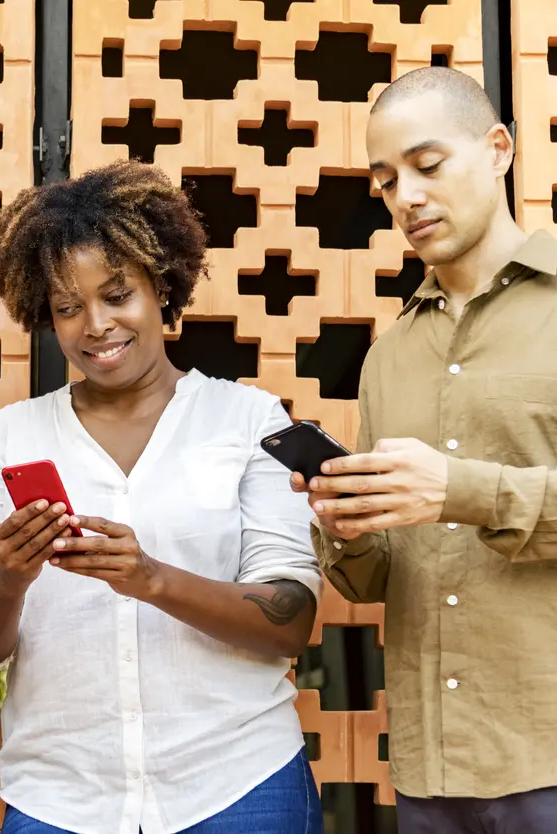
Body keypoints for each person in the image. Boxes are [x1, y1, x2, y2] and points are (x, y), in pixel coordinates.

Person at [0, 159, 325, 834]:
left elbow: (290, 622)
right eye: (67, 307)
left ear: (161, 285)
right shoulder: (10, 437)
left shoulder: (249, 421)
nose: (96, 325)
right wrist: (9, 577)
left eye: (118, 294)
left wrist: (152, 579)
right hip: (63, 798)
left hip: (238, 785)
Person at [296, 66, 557, 832]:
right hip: (431, 766)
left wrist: (461, 490)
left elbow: (456, 496)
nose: (404, 197)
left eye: (427, 165)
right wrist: (344, 526)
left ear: (499, 148)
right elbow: (379, 580)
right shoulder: (390, 355)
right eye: (384, 181)